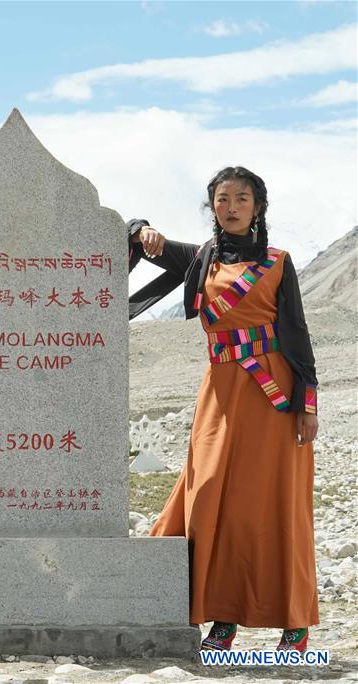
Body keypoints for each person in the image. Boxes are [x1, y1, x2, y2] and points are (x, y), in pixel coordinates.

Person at [128, 166, 319, 654]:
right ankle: (222, 616)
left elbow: (296, 332)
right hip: (219, 391)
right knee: (211, 495)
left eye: (242, 198)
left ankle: (293, 622)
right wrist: (139, 229)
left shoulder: (278, 262)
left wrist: (307, 402)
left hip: (271, 392)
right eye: (222, 198)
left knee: (273, 501)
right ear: (212, 206)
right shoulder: (202, 260)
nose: (231, 206)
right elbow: (143, 242)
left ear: (258, 207)